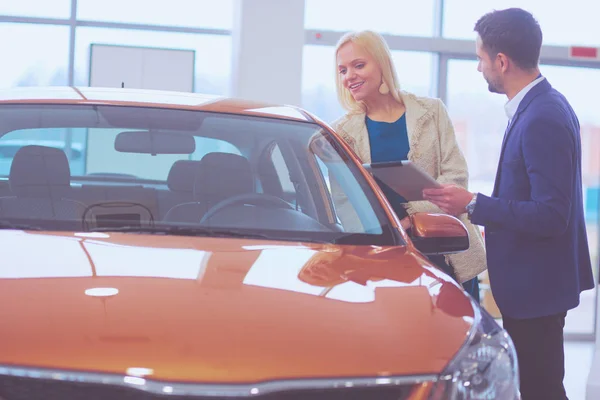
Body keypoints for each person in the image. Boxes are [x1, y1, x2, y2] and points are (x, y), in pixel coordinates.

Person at [422, 8, 595, 399]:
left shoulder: (541, 117)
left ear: (502, 61)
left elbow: (551, 214)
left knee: (541, 389)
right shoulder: (540, 107)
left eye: (481, 59)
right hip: (536, 285)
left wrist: (473, 204)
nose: (479, 68)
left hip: (537, 289)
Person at [330, 30, 487, 301]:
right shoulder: (342, 133)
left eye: (358, 65)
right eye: (342, 70)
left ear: (382, 64)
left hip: (449, 252)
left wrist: (412, 220)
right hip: (388, 256)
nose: (349, 77)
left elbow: (456, 178)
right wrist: (392, 229)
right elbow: (345, 201)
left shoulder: (432, 111)